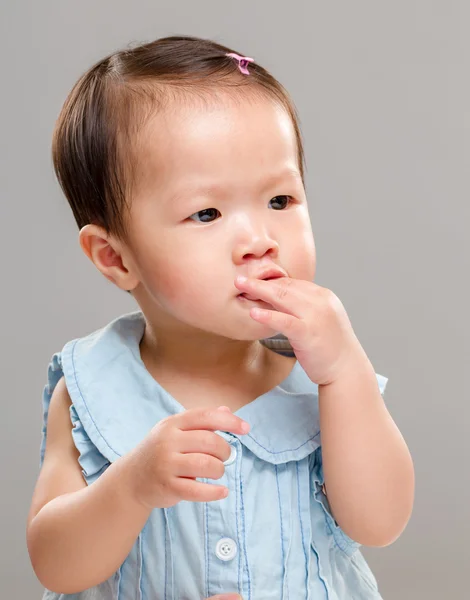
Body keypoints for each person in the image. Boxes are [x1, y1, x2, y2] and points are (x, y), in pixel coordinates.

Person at [26, 35, 414, 599]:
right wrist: (130, 487)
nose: (260, 240)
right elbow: (56, 565)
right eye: (207, 212)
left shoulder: (323, 372)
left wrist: (345, 374)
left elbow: (380, 523)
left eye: (280, 201)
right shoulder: (93, 385)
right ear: (116, 258)